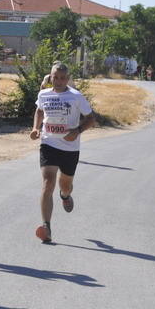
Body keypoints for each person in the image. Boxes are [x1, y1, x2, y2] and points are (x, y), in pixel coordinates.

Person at [30, 62, 96, 243]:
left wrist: (78, 131)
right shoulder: (44, 94)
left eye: (62, 78)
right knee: (48, 182)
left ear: (67, 79)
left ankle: (65, 195)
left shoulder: (76, 97)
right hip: (48, 143)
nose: (58, 81)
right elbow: (39, 111)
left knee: (65, 184)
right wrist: (36, 128)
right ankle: (46, 226)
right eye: (55, 77)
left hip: (70, 147)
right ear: (50, 77)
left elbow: (91, 119)